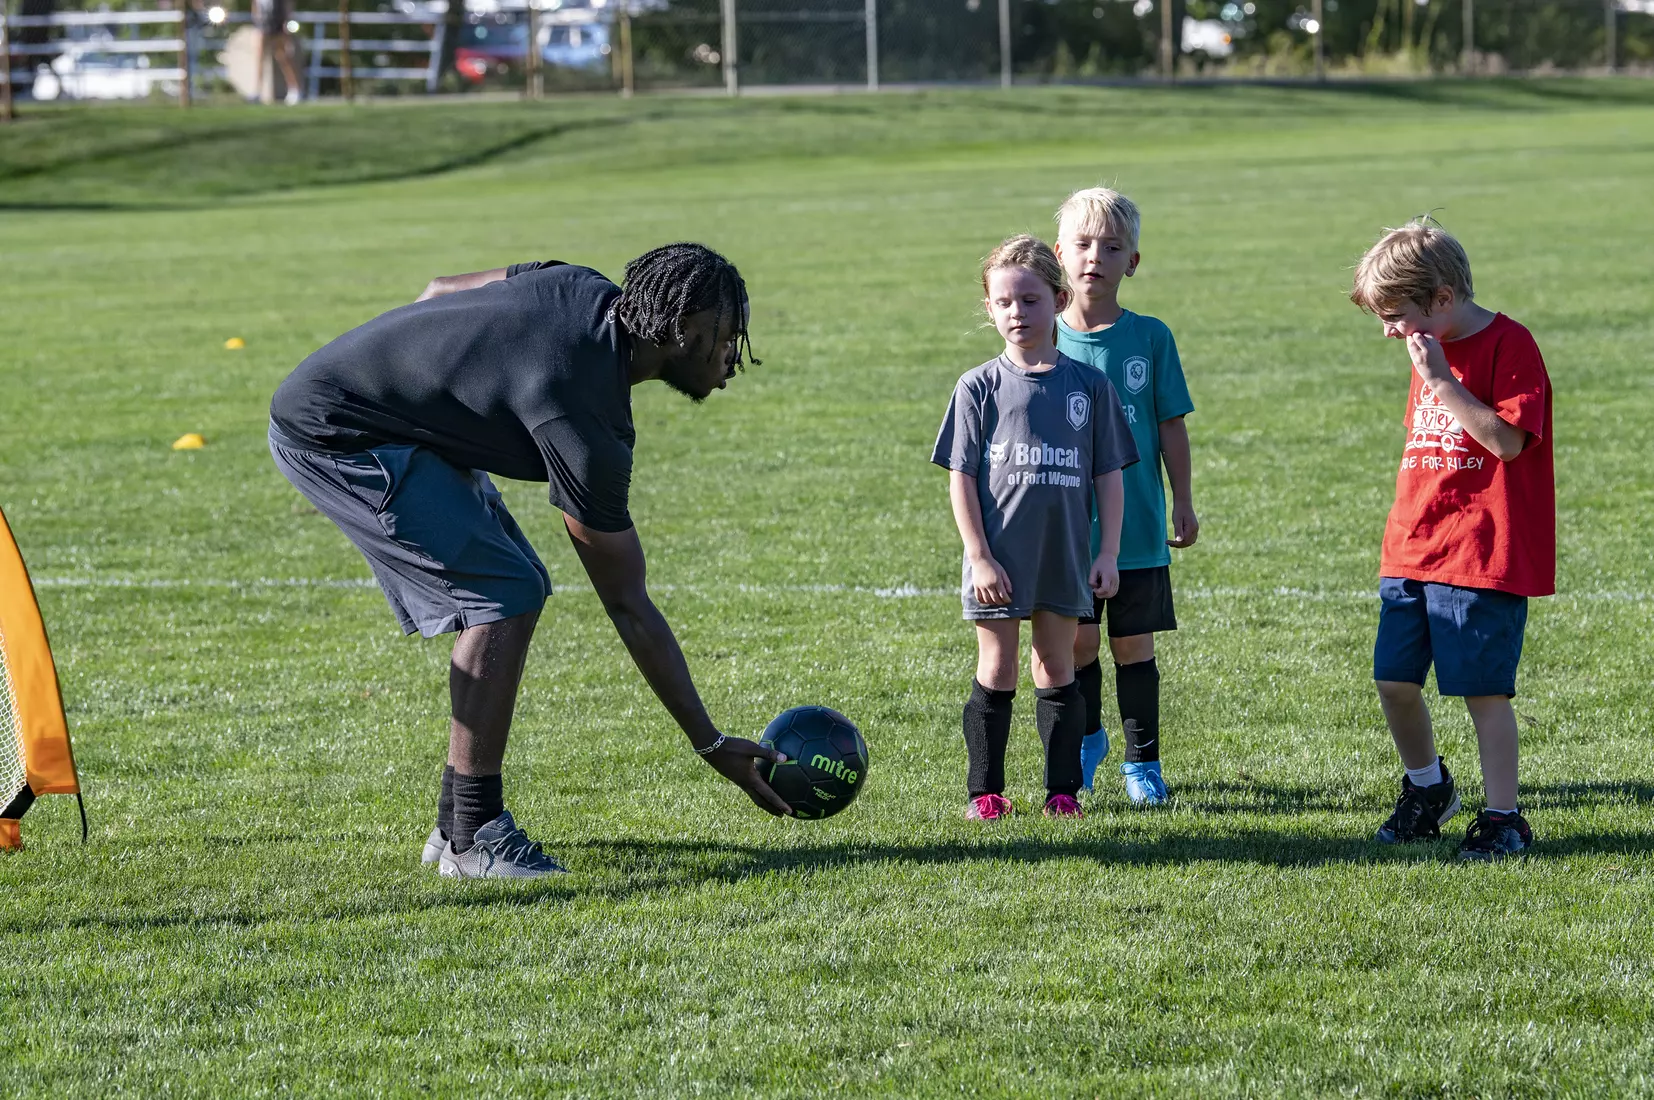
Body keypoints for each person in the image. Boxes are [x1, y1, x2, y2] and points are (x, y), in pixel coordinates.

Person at [269, 244, 793, 880]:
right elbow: (628, 605)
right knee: (506, 594)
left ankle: (453, 822)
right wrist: (708, 743)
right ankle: (473, 837)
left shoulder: (577, 285)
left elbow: (438, 289)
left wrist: (423, 391)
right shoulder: (587, 422)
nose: (734, 360)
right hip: (335, 434)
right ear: (682, 333)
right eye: (727, 340)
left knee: (519, 584)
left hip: (365, 413)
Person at [1350, 219, 1554, 861]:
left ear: (1440, 298)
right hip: (1413, 543)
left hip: (1481, 552)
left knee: (1481, 691)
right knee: (1393, 680)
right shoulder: (1428, 343)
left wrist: (1443, 379)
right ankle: (1428, 787)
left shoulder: (1508, 343)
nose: (1387, 330)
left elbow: (1506, 442)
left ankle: (1503, 819)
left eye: (1394, 314)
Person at [932, 236, 1137, 821]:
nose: (1017, 313)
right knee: (996, 668)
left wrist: (1109, 553)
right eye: (1004, 303)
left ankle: (1062, 791)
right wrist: (979, 555)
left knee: (1057, 665)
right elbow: (962, 478)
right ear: (990, 309)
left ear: (1059, 299)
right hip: (997, 558)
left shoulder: (1089, 388)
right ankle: (986, 793)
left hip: (1063, 555)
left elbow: (1109, 477)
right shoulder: (977, 387)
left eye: (1030, 300)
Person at [1052, 187, 1197, 807]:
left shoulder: (1150, 338)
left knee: (1134, 647)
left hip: (1137, 523)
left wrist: (1183, 499)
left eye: (1112, 247)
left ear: (1132, 261)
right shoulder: (1040, 337)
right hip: (1065, 530)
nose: (1095, 258)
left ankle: (1144, 764)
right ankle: (1088, 742)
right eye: (1083, 244)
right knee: (1078, 645)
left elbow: (1170, 424)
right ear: (1060, 253)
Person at [254, 0, 302, 105]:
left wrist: (286, 22)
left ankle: (294, 89)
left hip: (277, 24)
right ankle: (257, 91)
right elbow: (255, 6)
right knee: (260, 58)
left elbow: (287, 5)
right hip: (262, 24)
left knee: (283, 57)